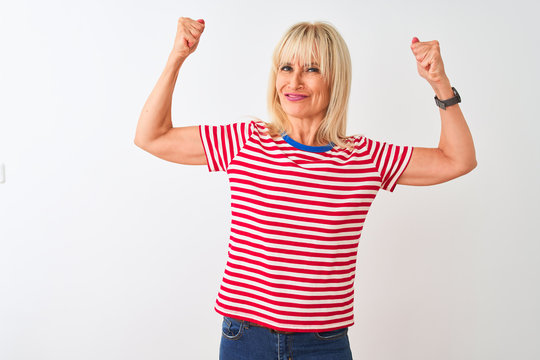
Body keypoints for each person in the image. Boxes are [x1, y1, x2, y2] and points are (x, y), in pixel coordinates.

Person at [134, 17, 477, 360]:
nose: (293, 81)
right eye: (286, 67)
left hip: (323, 344)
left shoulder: (365, 158)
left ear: (335, 80)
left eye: (312, 69)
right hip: (246, 339)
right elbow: (152, 136)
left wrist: (440, 84)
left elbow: (456, 160)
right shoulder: (245, 141)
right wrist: (176, 57)